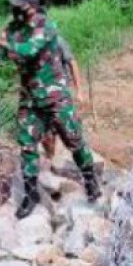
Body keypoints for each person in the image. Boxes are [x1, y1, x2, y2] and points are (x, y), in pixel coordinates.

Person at [0, 0, 102, 218]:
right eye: (13, 3)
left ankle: (90, 179)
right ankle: (31, 194)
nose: (14, 8)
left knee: (74, 142)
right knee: (27, 147)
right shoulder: (12, 30)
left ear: (32, 6)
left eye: (19, 4)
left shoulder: (46, 27)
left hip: (55, 98)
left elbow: (28, 51)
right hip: (30, 100)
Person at [41, 36, 85, 169]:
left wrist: (79, 91)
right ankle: (50, 159)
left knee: (70, 131)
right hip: (42, 95)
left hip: (60, 94)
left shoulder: (58, 41)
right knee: (46, 134)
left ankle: (84, 167)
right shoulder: (30, 44)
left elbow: (72, 63)